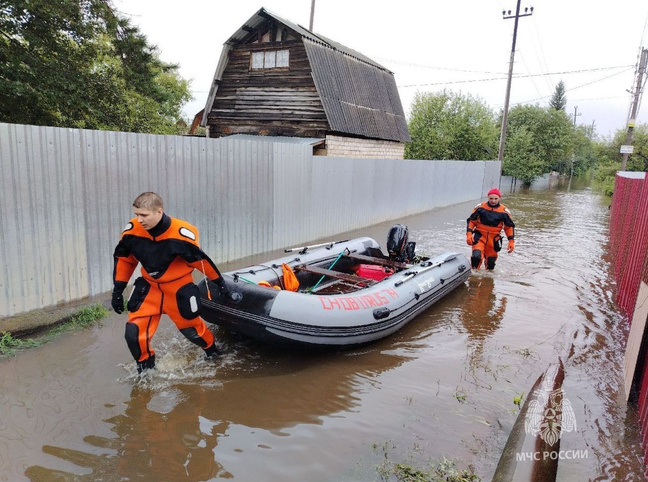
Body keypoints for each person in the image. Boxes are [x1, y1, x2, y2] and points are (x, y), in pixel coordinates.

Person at [111, 192, 235, 373]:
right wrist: (117, 290)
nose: (139, 220)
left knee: (193, 332)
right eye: (137, 214)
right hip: (150, 288)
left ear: (159, 212)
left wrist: (221, 284)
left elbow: (200, 261)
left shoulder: (181, 234)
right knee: (133, 333)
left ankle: (213, 353)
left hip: (177, 289)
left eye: (144, 215)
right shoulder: (132, 232)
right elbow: (125, 260)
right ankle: (146, 370)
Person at [466, 188, 515, 270]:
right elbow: (471, 221)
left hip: (493, 239)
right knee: (476, 257)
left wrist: (511, 241)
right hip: (480, 236)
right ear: (488, 197)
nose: (493, 201)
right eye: (491, 198)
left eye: (496, 198)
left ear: (499, 198)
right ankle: (473, 277)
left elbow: (508, 227)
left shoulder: (504, 212)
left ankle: (487, 281)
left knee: (491, 264)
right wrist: (469, 234)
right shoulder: (480, 208)